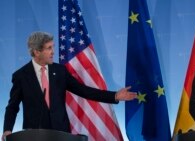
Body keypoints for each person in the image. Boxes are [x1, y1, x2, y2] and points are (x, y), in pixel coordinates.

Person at [1, 31, 137, 141]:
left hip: (61, 133)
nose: (53, 52)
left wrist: (114, 95)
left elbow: (83, 90)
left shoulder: (60, 71)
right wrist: (7, 130)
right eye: (49, 48)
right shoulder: (21, 76)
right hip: (34, 135)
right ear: (37, 52)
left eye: (53, 47)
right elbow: (12, 107)